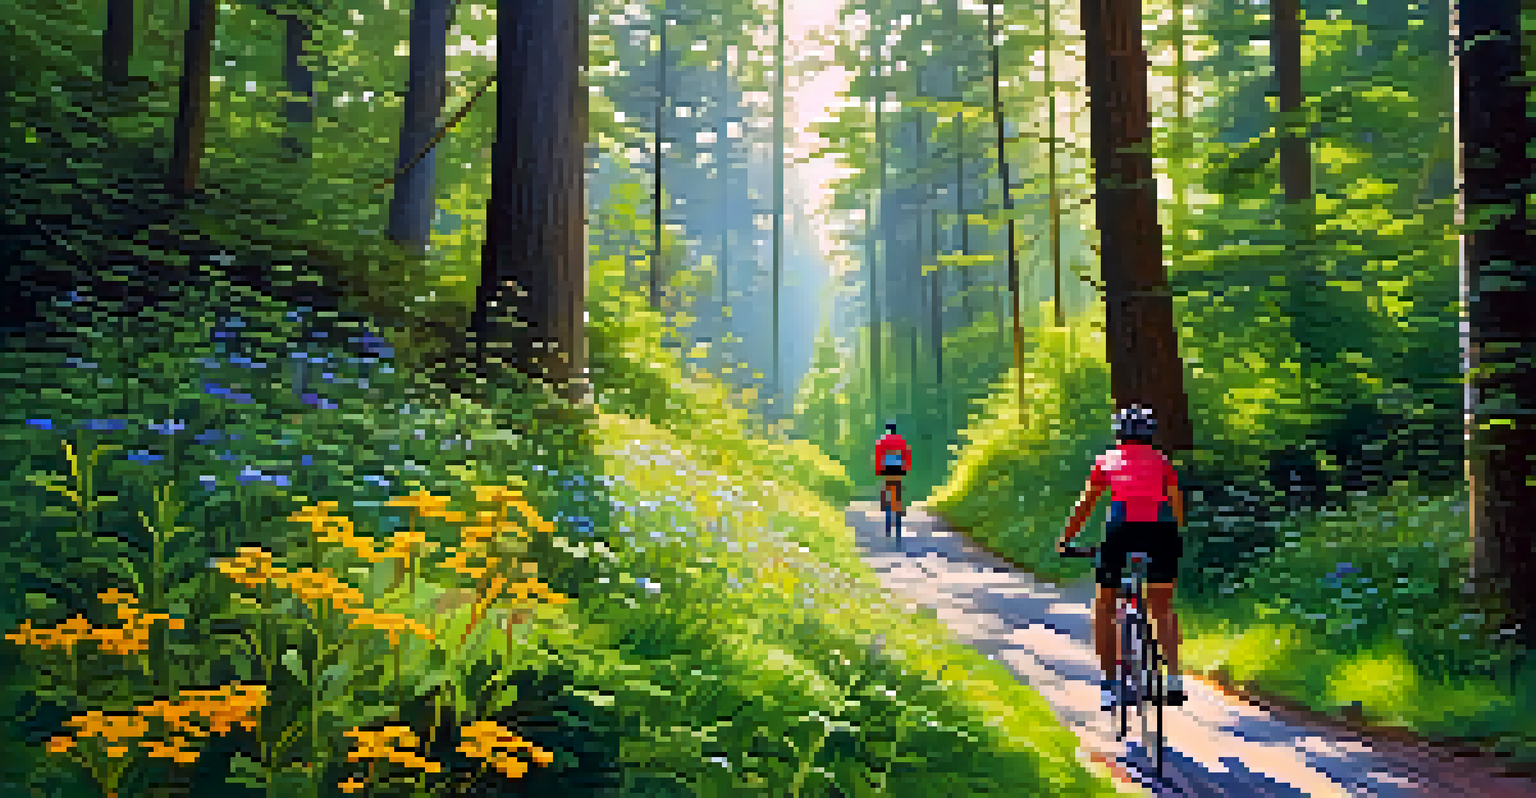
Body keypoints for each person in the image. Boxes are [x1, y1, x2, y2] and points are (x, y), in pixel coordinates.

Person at [1057, 404, 1187, 709]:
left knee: (1104, 604)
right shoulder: (1163, 463)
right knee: (1162, 607)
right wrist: (1174, 536)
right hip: (1162, 532)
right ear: (1150, 435)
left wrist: (1066, 540)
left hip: (1121, 529)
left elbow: (1085, 505)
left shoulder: (1107, 460)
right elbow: (1176, 505)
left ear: (1119, 434)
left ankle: (1109, 684)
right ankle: (1174, 680)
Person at [874, 420, 911, 537]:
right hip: (899, 469)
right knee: (899, 487)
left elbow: (878, 456)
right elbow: (907, 454)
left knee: (885, 486)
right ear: (895, 430)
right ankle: (901, 507)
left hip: (886, 469)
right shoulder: (901, 441)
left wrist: (878, 470)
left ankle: (884, 504)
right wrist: (906, 468)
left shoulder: (881, 441)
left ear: (887, 430)